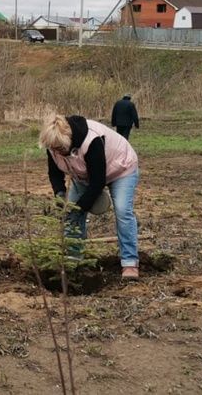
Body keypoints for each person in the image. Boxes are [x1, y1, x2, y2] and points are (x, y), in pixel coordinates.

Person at [40, 114, 142, 279]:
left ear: (68, 140)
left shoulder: (91, 141)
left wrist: (80, 208)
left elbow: (97, 182)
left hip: (121, 168)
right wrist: (60, 195)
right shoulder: (53, 146)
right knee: (70, 214)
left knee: (123, 211)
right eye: (53, 149)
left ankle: (130, 262)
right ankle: (73, 259)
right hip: (84, 174)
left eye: (59, 148)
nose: (56, 152)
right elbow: (55, 174)